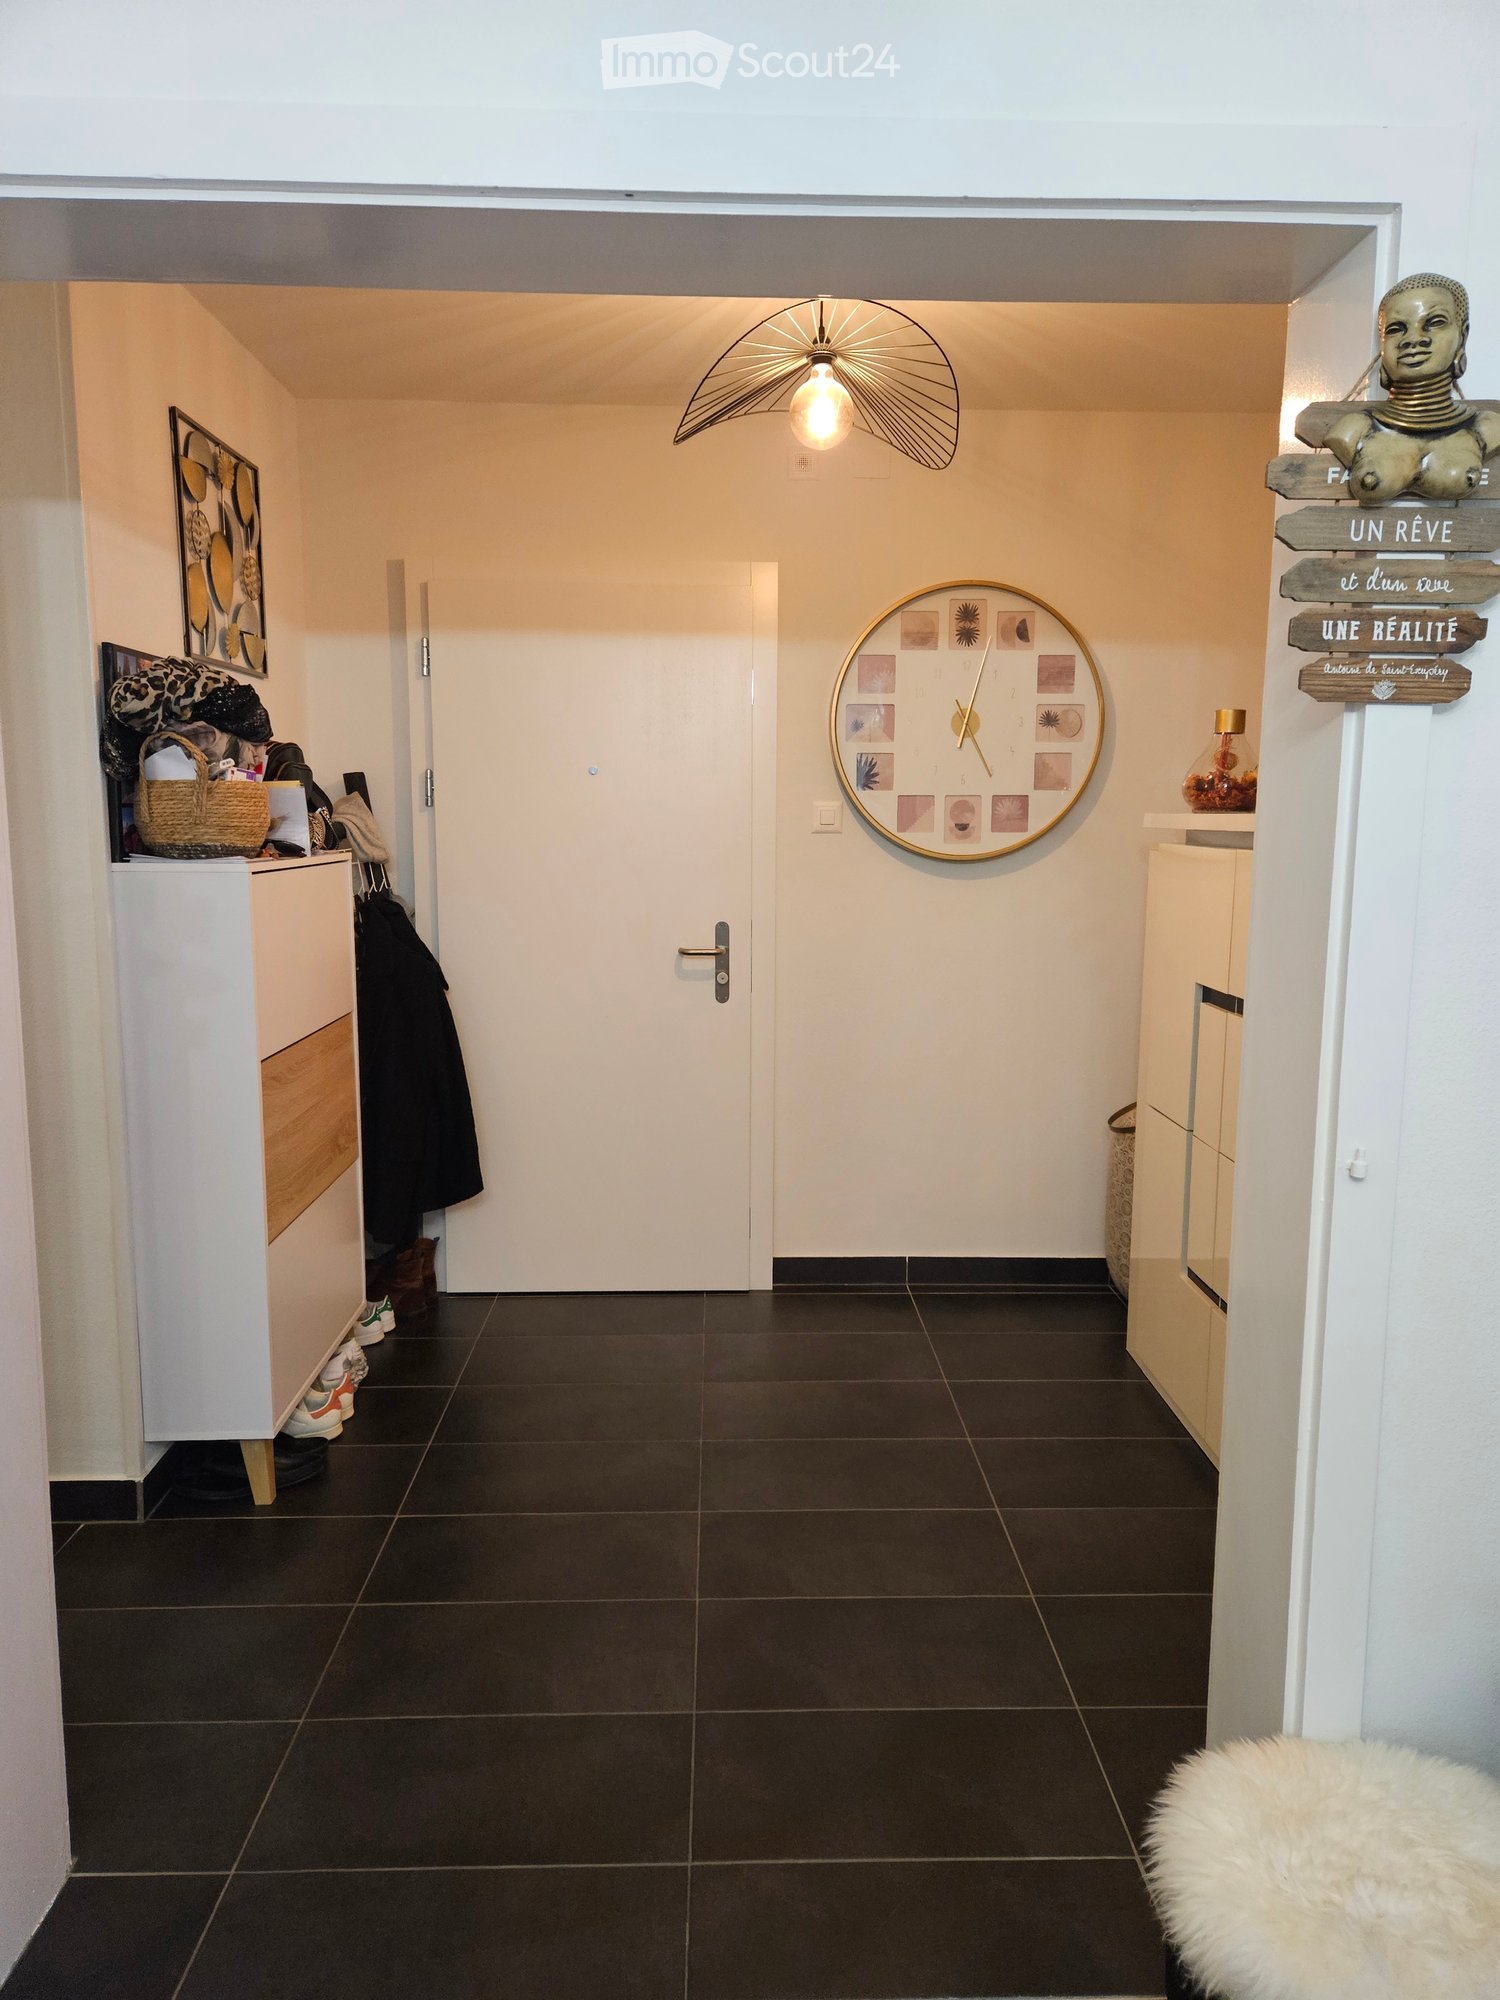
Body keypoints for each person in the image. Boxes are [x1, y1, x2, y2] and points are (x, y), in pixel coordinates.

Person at [1323, 272, 1500, 503]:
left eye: (1434, 323)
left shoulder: (1488, 429)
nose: (1413, 339)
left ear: (1462, 336)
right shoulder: (1353, 430)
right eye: (1396, 329)